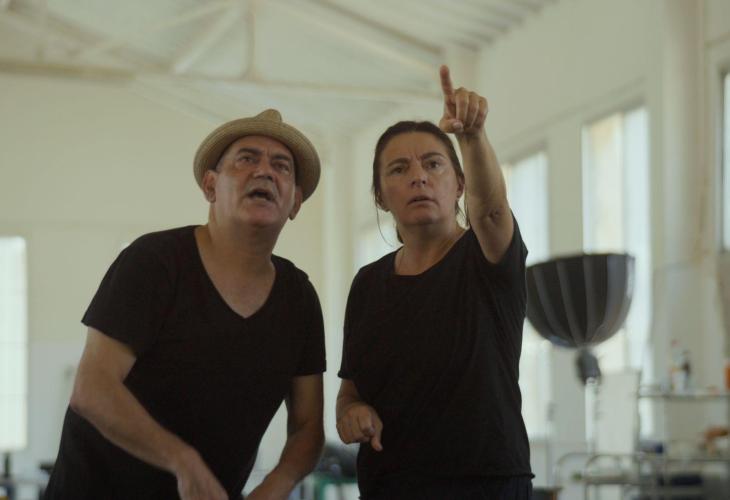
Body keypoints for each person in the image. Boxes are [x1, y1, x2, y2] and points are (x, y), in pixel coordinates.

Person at [44, 109, 326, 500]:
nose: (264, 171)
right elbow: (92, 388)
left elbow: (308, 426)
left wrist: (274, 486)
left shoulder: (299, 299)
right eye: (247, 159)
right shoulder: (154, 262)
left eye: (281, 166)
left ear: (295, 201)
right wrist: (182, 461)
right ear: (211, 186)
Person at [335, 66, 533, 499]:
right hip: (388, 486)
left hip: (485, 487)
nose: (418, 177)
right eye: (399, 169)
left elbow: (491, 210)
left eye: (433, 164)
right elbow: (349, 393)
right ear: (380, 196)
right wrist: (352, 414)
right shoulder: (368, 284)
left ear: (460, 184)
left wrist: (472, 136)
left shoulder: (486, 258)